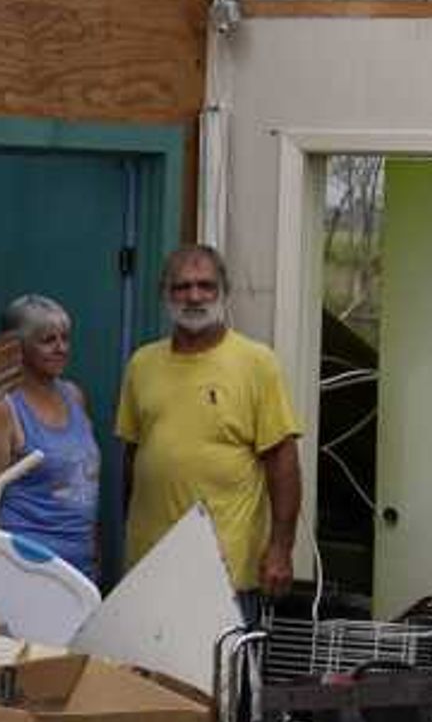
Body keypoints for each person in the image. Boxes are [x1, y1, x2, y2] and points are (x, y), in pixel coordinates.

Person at [116, 243, 305, 597]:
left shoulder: (257, 363)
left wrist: (281, 548)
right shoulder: (141, 364)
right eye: (182, 286)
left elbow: (283, 462)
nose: (194, 296)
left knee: (221, 656)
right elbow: (132, 456)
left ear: (224, 293)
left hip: (225, 569)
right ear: (165, 295)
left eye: (206, 286)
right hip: (149, 566)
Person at [0, 294, 99, 577]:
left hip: (81, 567)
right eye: (48, 340)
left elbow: (84, 480)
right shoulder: (3, 408)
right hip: (27, 571)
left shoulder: (74, 396)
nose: (61, 348)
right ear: (18, 347)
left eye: (65, 338)